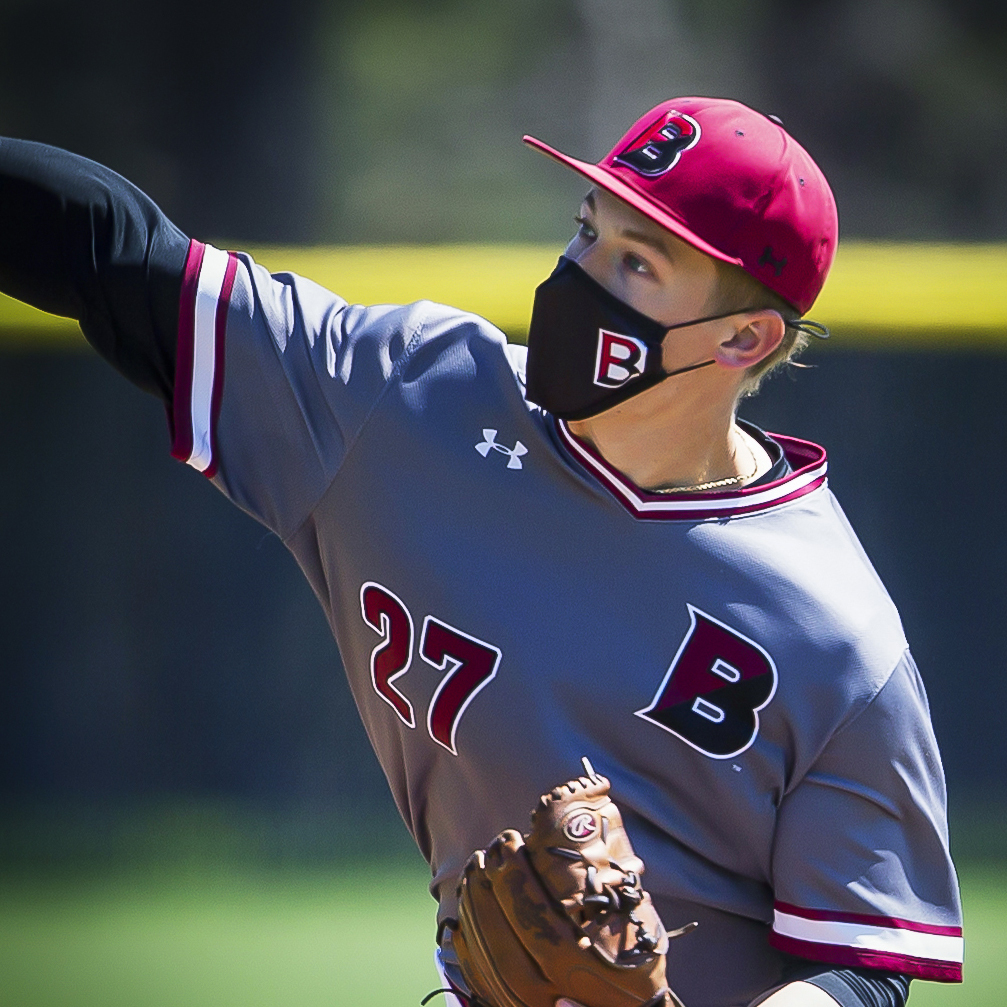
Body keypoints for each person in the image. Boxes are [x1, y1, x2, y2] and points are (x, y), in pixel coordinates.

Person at [0, 97, 962, 1007]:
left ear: (743, 337)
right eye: (589, 228)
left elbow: (863, 964)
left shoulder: (835, 634)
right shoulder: (406, 400)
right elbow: (121, 260)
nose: (583, 273)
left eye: (639, 262)